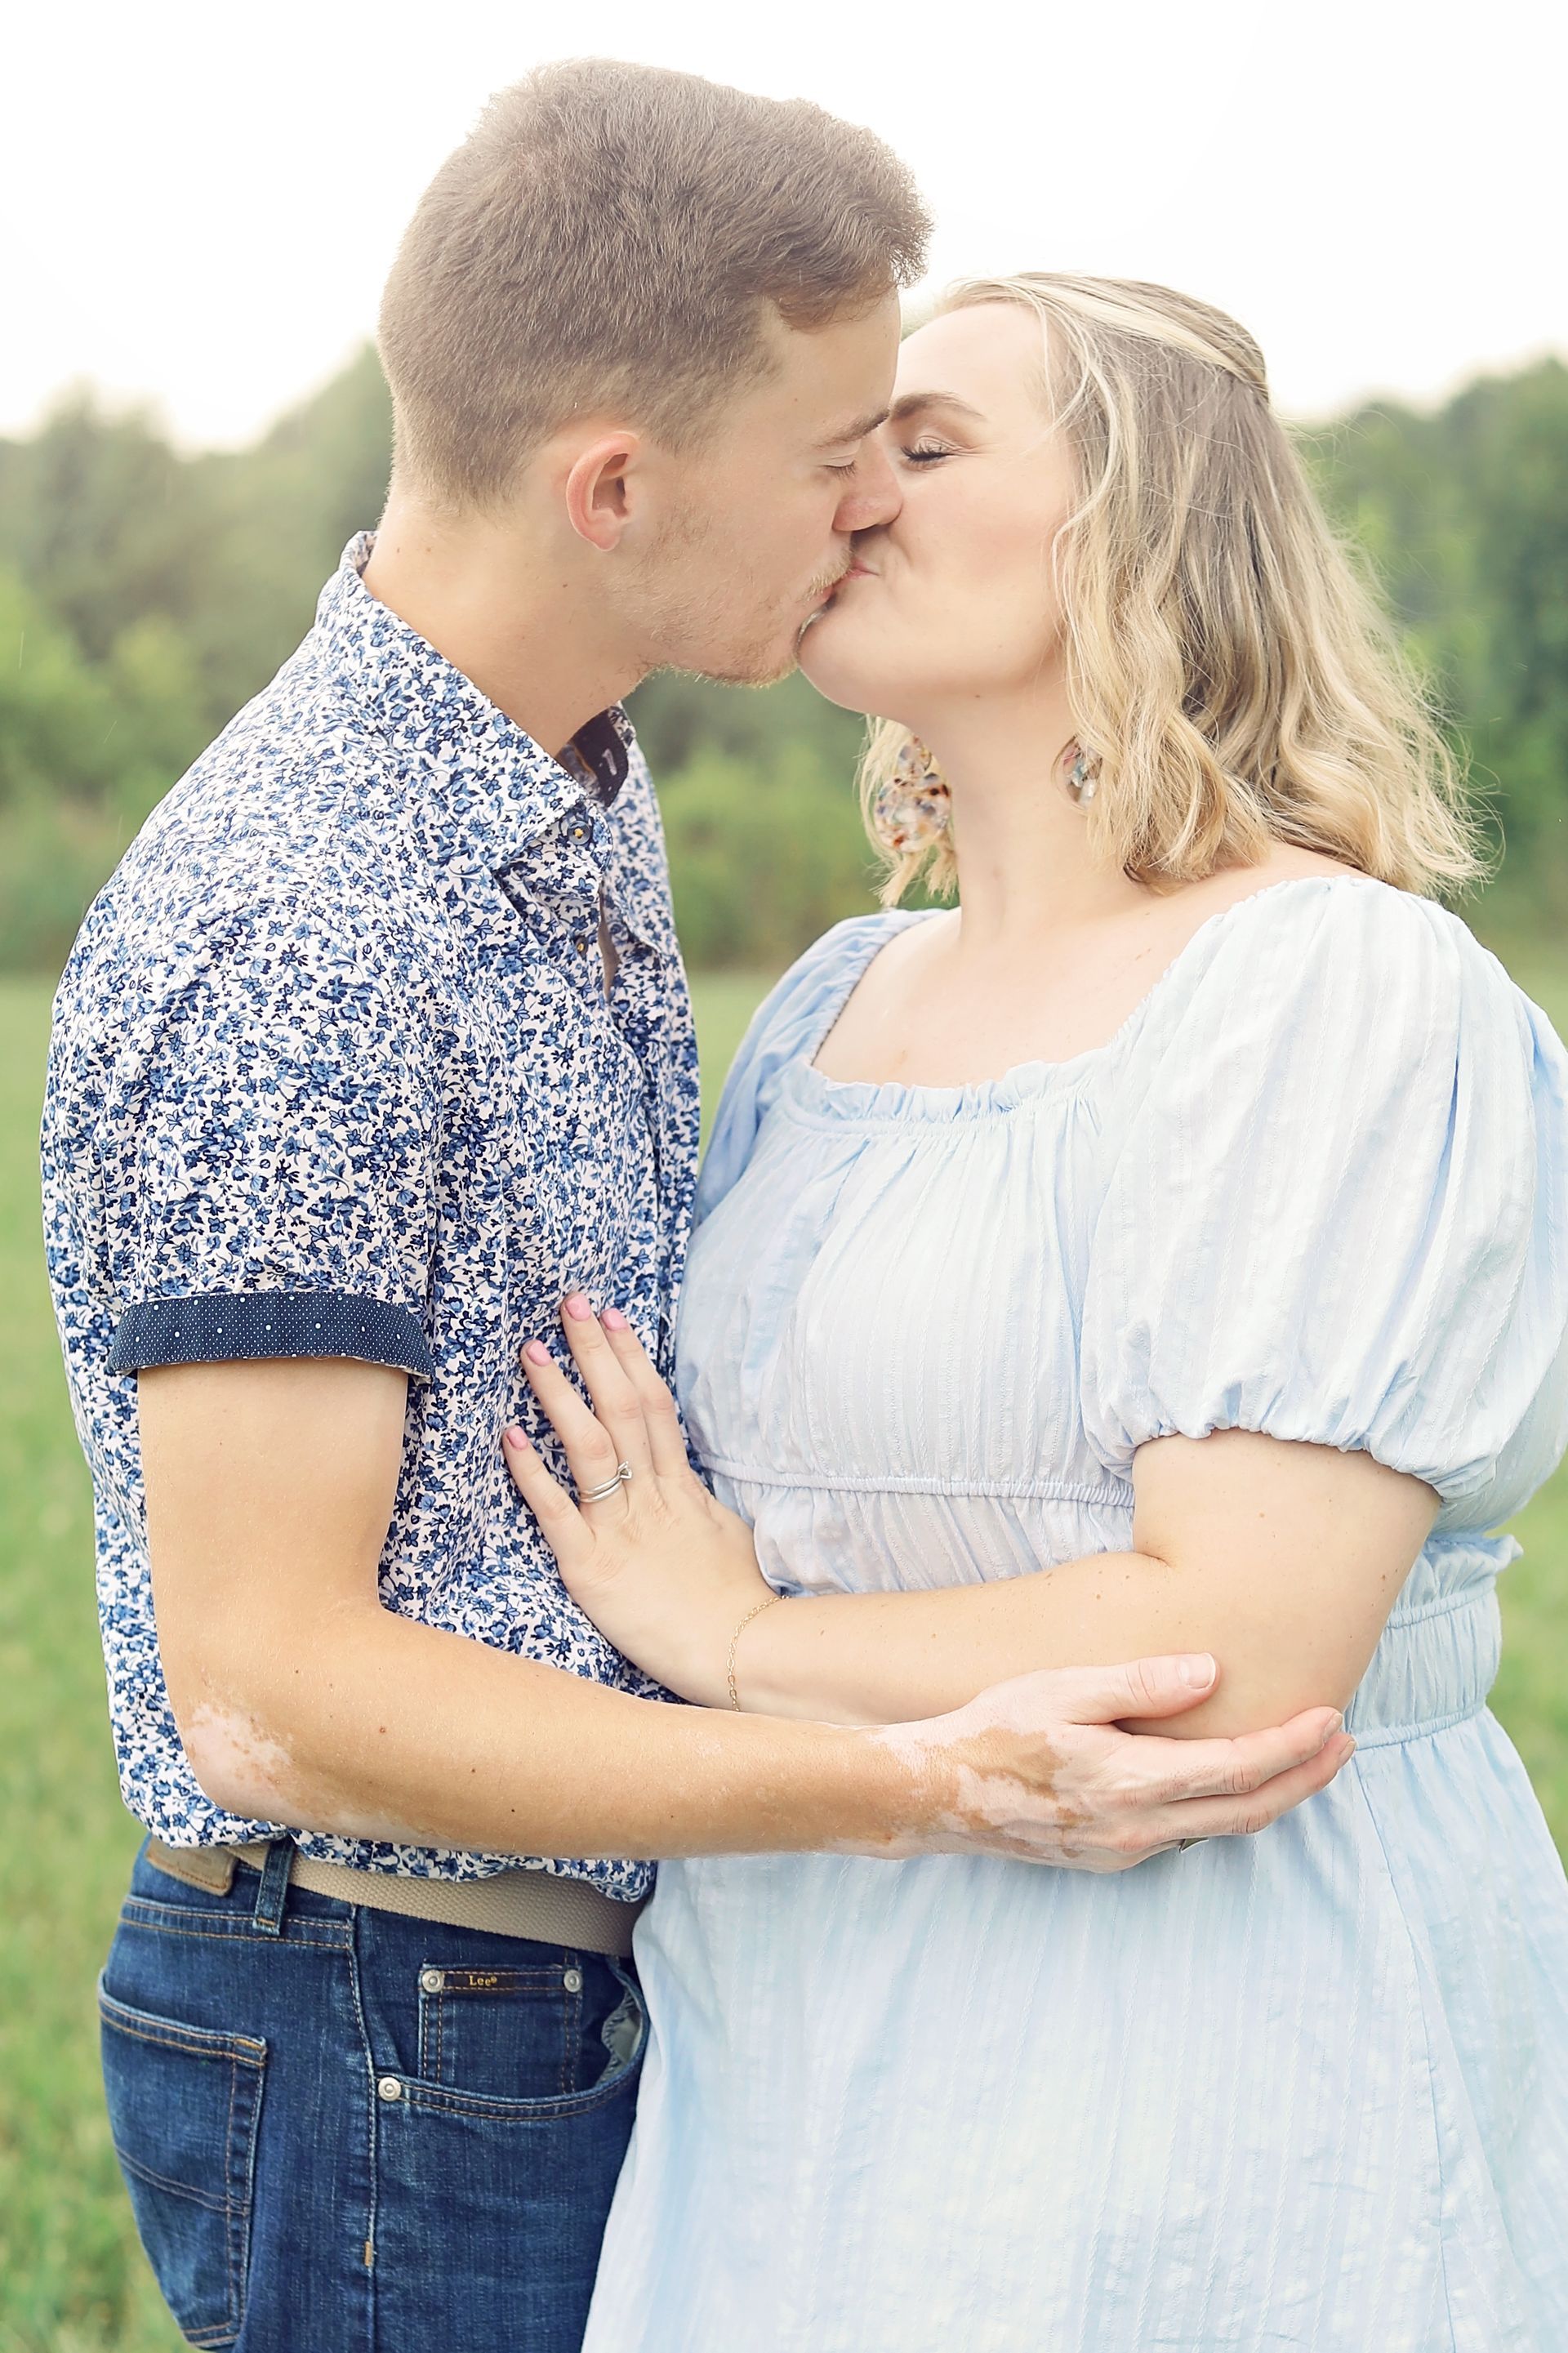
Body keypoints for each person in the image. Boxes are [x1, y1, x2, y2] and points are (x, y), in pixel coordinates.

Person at [38, 77, 1348, 2353]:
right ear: (616, 488)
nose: (867, 501)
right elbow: (266, 1687)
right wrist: (902, 1787)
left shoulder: (563, 788)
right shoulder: (313, 912)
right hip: (388, 2008)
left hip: (536, 1997)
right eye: (841, 442)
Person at [504, 276, 1568, 2350]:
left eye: (925, 443)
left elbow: (1243, 1647)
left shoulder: (1334, 984)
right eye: (840, 454)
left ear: (1144, 525)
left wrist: (737, 1642)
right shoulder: (826, 1000)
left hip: (1202, 2051)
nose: (851, 499)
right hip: (807, 2046)